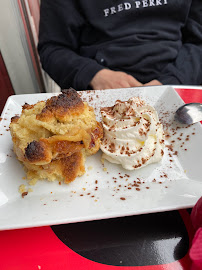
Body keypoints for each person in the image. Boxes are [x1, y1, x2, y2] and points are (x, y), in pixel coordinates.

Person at [38, 0, 202, 91]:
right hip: (101, 88)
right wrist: (94, 75)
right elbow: (53, 48)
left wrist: (171, 81)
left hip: (179, 81)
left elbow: (198, 41)